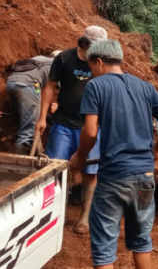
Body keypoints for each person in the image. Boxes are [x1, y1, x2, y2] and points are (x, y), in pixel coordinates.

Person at [71, 40, 158, 269]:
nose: (92, 73)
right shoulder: (144, 87)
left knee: (104, 248)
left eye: (91, 67)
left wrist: (79, 156)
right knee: (141, 241)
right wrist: (156, 150)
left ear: (99, 62)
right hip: (145, 177)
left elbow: (90, 132)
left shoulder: (96, 86)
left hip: (114, 177)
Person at [36, 25, 108, 235]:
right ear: (84, 44)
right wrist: (42, 117)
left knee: (90, 171)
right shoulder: (64, 58)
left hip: (90, 126)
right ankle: (56, 211)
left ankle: (85, 216)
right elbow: (50, 86)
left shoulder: (101, 63)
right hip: (63, 124)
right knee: (55, 168)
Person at [5, 51, 60, 155]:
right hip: (29, 86)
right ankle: (18, 162)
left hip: (11, 83)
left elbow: (42, 91)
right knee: (29, 131)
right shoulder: (58, 65)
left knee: (25, 121)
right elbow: (51, 91)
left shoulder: (39, 58)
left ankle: (14, 141)